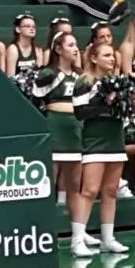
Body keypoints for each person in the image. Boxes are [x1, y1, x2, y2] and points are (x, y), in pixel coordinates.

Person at [71, 42, 130, 256]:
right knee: (89, 190)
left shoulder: (119, 83)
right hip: (95, 139)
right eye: (106, 55)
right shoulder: (84, 82)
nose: (112, 59)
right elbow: (80, 112)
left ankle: (108, 239)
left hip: (115, 138)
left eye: (113, 56)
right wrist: (105, 102)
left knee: (110, 191)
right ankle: (77, 239)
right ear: (94, 58)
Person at [33, 32, 84, 239]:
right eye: (70, 45)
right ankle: (42, 232)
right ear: (58, 49)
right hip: (54, 127)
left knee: (74, 185)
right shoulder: (48, 74)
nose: (75, 49)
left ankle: (78, 234)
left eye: (76, 45)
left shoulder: (80, 75)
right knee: (49, 184)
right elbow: (34, 100)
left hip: (74, 130)